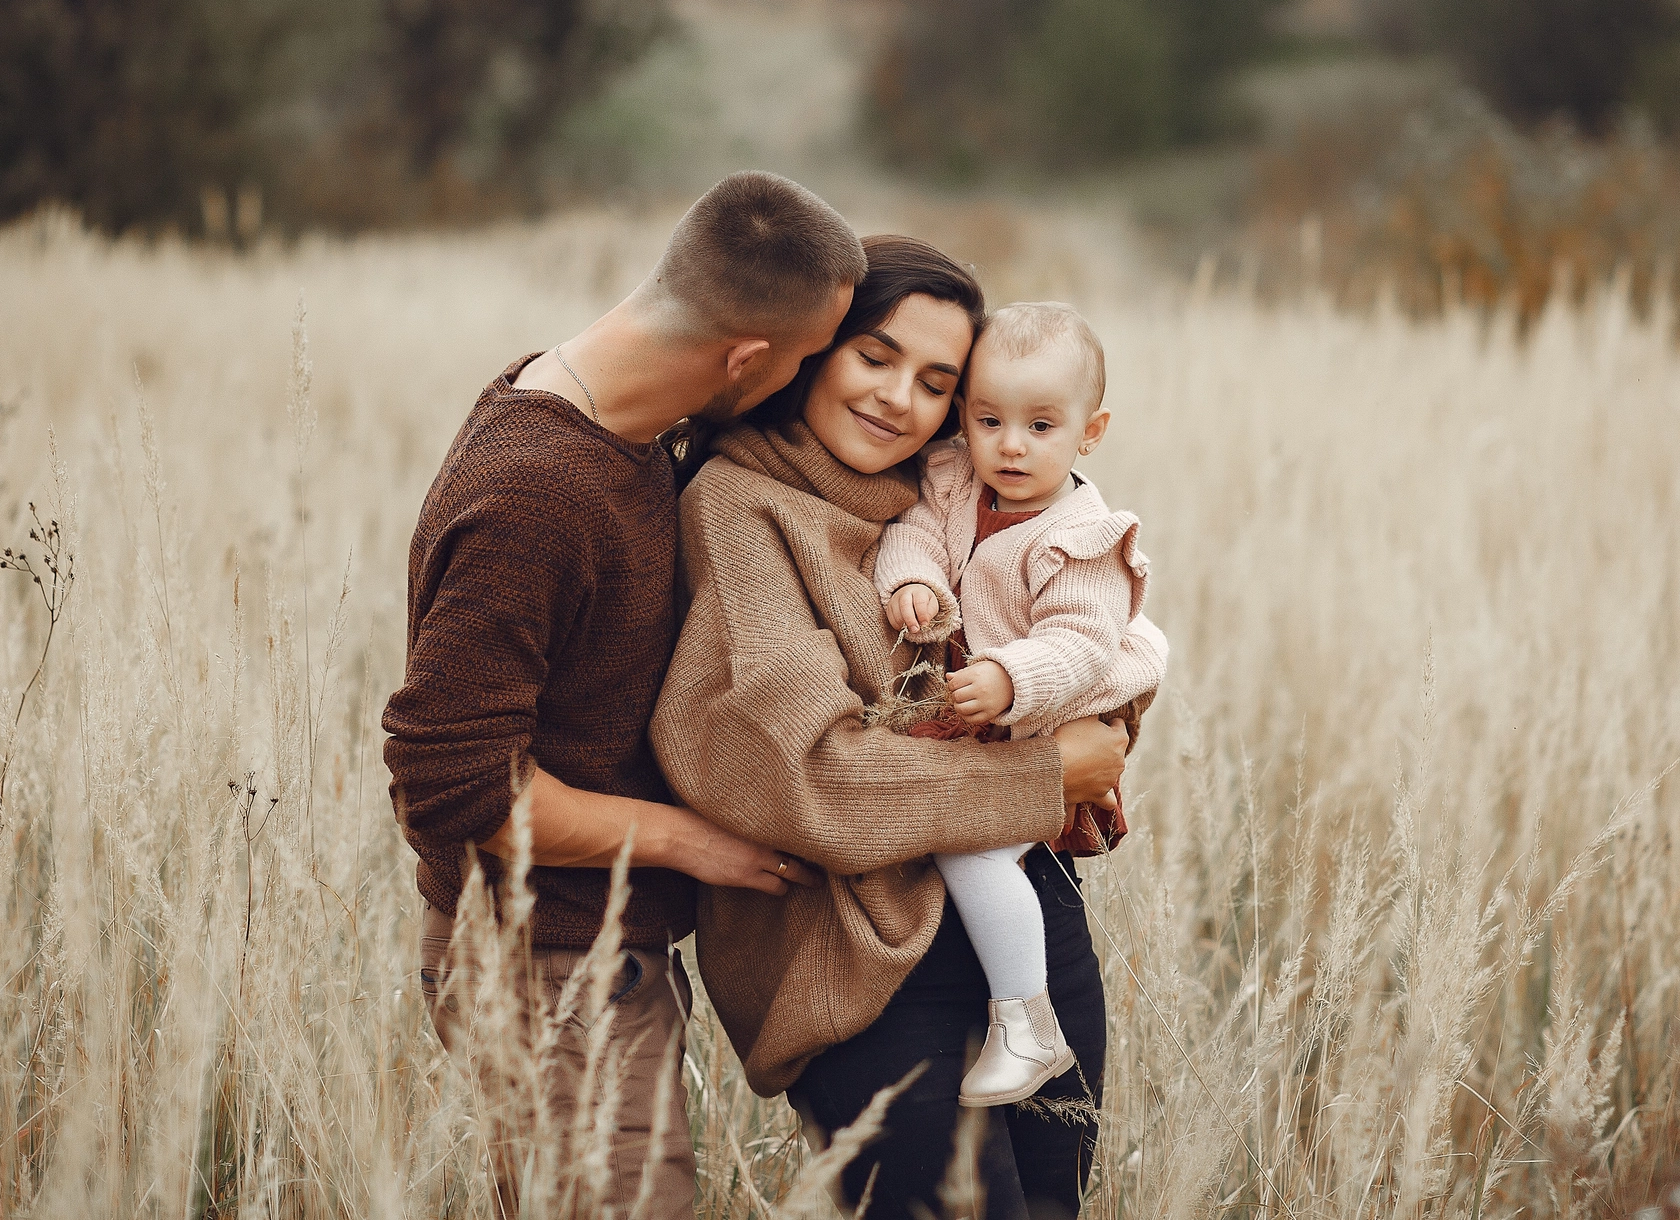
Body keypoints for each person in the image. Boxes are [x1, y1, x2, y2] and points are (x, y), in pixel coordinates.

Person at [381, 171, 864, 1218]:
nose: (808, 379)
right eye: (802, 359)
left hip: (585, 960)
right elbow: (448, 782)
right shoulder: (535, 492)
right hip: (547, 966)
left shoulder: (616, 415)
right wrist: (690, 841)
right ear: (742, 356)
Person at [649, 238, 1146, 1220]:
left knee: (1052, 1204)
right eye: (873, 355)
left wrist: (1103, 708)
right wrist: (1046, 774)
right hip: (865, 960)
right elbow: (809, 772)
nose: (897, 399)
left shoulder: (956, 490)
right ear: (812, 348)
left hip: (1027, 923)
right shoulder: (739, 505)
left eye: (935, 381)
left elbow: (1090, 641)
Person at [873, 300, 1168, 1107]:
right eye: (989, 418)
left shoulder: (1084, 536)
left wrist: (1009, 677)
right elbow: (915, 534)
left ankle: (1027, 1023)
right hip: (983, 737)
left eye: (1041, 425)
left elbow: (1080, 642)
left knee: (970, 849)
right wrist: (914, 582)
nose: (1010, 444)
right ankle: (1016, 1015)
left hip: (1036, 723)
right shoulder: (953, 480)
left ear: (1090, 430)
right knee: (962, 843)